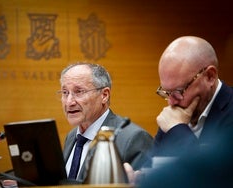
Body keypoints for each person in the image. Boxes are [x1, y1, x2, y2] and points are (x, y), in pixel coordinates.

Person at [125, 36, 233, 186]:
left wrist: (178, 129)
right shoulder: (177, 110)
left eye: (178, 91)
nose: (171, 102)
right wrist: (140, 178)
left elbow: (212, 178)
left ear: (210, 76)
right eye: (166, 92)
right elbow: (154, 167)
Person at [58, 62, 153, 183]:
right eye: (65, 93)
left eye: (79, 92)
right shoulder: (72, 136)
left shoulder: (134, 139)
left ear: (104, 95)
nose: (69, 102)